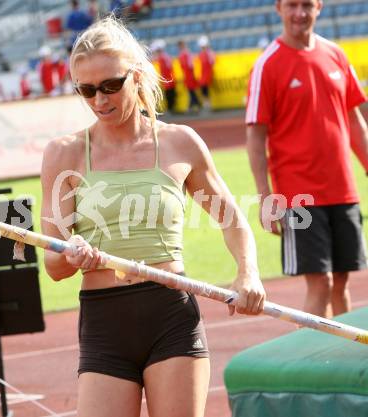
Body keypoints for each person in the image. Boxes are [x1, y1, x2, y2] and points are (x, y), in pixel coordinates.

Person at [41, 16, 265, 417]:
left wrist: (247, 272)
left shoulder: (179, 143)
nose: (99, 100)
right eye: (86, 90)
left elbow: (232, 218)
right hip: (104, 322)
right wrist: (70, 252)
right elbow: (54, 266)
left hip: (171, 317)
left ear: (137, 75)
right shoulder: (65, 153)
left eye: (111, 85)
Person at [245, 0, 368, 318]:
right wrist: (265, 197)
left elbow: (353, 118)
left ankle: (342, 362)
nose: (299, 13)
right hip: (299, 196)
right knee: (321, 284)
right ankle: (311, 365)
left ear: (319, 8)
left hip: (343, 191)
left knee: (341, 281)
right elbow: (256, 137)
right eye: (292, 5)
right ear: (278, 9)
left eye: (307, 5)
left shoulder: (336, 55)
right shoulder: (267, 64)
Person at [151, 39, 176, 113]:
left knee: (165, 96)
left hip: (165, 80)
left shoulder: (160, 58)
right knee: (169, 96)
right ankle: (169, 109)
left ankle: (166, 109)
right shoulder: (166, 56)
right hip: (168, 79)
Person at [178, 39, 201, 113]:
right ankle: (195, 105)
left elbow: (190, 65)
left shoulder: (185, 54)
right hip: (188, 75)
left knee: (191, 91)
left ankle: (193, 105)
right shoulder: (185, 53)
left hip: (189, 75)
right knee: (191, 91)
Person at [197, 35, 215, 109]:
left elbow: (212, 62)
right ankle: (207, 104)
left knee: (205, 90)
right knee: (204, 90)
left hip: (206, 75)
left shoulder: (208, 54)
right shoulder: (204, 54)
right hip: (203, 75)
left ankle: (207, 104)